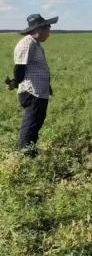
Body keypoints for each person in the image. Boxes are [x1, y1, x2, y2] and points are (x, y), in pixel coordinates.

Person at [5, 14, 58, 155]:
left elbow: (32, 68)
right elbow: (20, 67)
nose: (49, 33)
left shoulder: (35, 44)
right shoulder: (26, 44)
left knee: (36, 122)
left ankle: (31, 151)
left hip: (39, 90)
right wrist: (16, 82)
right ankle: (26, 152)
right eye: (48, 29)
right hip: (32, 91)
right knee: (31, 122)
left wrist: (47, 86)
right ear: (39, 29)